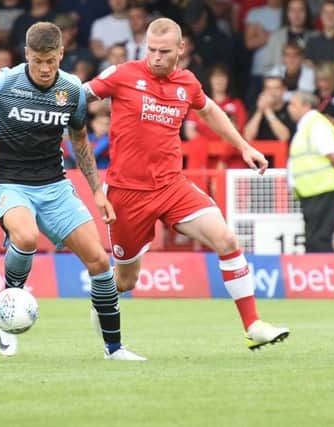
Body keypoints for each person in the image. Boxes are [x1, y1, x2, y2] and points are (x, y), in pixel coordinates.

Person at [0, 22, 145, 361]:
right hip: (6, 182)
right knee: (26, 237)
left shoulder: (73, 91)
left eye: (51, 60)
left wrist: (97, 191)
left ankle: (114, 349)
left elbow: (80, 142)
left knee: (98, 261)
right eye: (38, 60)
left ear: (61, 55)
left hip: (54, 185)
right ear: (27, 55)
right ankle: (10, 303)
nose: (46, 68)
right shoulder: (3, 82)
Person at [84, 17, 290, 350]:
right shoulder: (122, 74)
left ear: (181, 49)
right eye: (150, 50)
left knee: (225, 238)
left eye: (164, 51)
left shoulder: (188, 83)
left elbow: (209, 111)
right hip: (127, 194)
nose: (155, 57)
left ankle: (253, 324)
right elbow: (77, 99)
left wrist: (243, 146)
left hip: (171, 186)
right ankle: (102, 299)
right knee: (125, 279)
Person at [287, 91, 334, 253]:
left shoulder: (317, 124)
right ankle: (318, 273)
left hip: (324, 189)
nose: (289, 108)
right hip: (312, 190)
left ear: (306, 106)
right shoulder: (306, 127)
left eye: (293, 104)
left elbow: (333, 155)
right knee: (313, 238)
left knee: (319, 238)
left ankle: (325, 274)